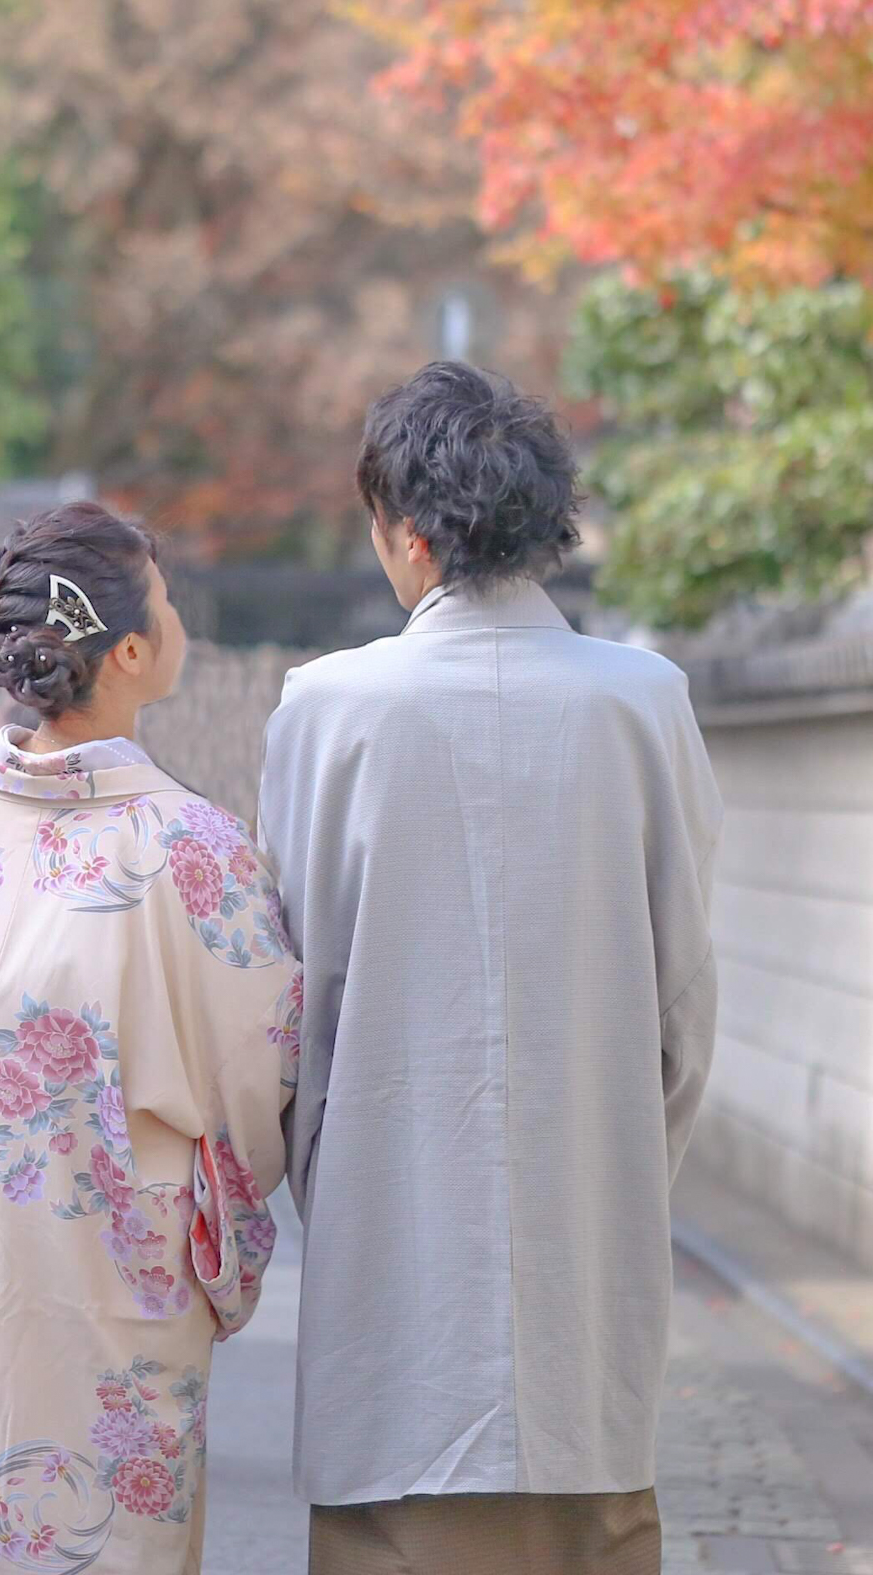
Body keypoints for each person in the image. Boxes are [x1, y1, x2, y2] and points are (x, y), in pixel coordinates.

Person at [262, 363, 721, 1575]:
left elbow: (296, 1009)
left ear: (407, 533)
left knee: (391, 1525)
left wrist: (334, 1172)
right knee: (590, 1508)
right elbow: (683, 1008)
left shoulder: (328, 707)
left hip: (389, 1215)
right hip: (589, 1207)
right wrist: (620, 1165)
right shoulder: (645, 702)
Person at [0, 501, 296, 1575]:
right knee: (102, 1537)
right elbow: (260, 1068)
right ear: (131, 650)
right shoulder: (191, 848)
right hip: (110, 1276)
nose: (177, 617)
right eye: (168, 598)